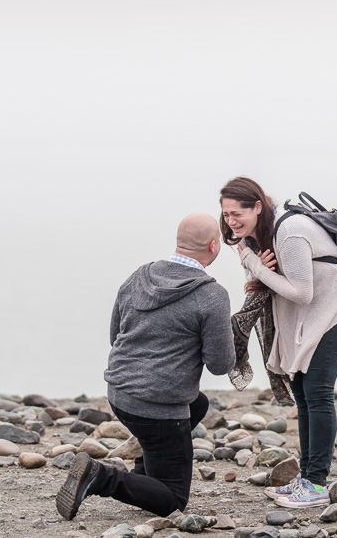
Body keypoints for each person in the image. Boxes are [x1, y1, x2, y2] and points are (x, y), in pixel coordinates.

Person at [56, 213, 235, 520]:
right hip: (158, 409)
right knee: (173, 501)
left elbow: (116, 335)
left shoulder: (140, 276)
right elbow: (220, 365)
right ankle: (100, 476)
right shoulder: (211, 296)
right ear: (214, 246)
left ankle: (144, 470)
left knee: (198, 404)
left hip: (120, 395)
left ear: (178, 243)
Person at [219, 177, 337, 508]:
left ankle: (317, 483)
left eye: (237, 213)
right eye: (226, 214)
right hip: (307, 315)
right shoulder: (262, 236)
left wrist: (255, 265)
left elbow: (303, 291)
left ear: (257, 206)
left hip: (333, 310)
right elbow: (263, 285)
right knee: (302, 393)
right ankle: (306, 476)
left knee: (317, 393)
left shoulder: (290, 232)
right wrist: (255, 266)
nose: (231, 221)